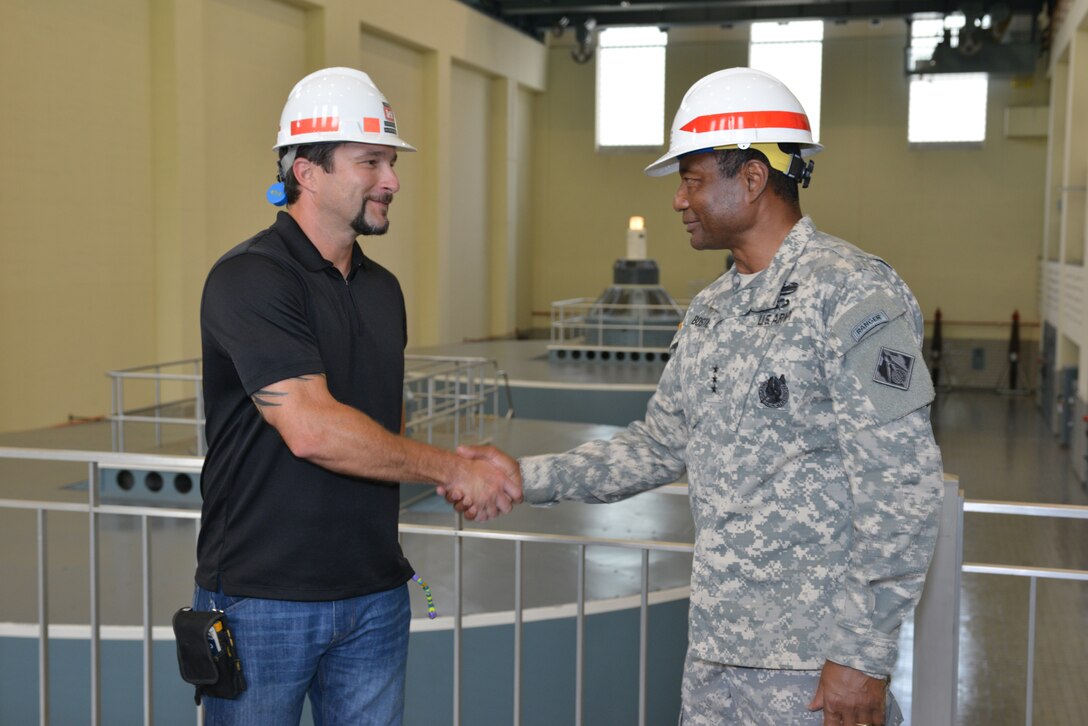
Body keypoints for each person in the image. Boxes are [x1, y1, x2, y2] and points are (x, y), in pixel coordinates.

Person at [455, 67, 943, 726]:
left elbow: (901, 485)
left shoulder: (853, 295)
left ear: (751, 178)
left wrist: (862, 655)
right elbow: (658, 446)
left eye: (691, 179)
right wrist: (528, 476)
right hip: (717, 656)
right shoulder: (714, 309)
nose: (679, 200)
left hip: (815, 667)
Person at [194, 67, 521, 726]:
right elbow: (312, 428)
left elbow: (383, 427)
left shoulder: (382, 289)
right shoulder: (250, 279)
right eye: (370, 161)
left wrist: (437, 471)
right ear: (307, 171)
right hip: (265, 600)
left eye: (392, 162)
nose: (392, 180)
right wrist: (454, 471)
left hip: (374, 595)